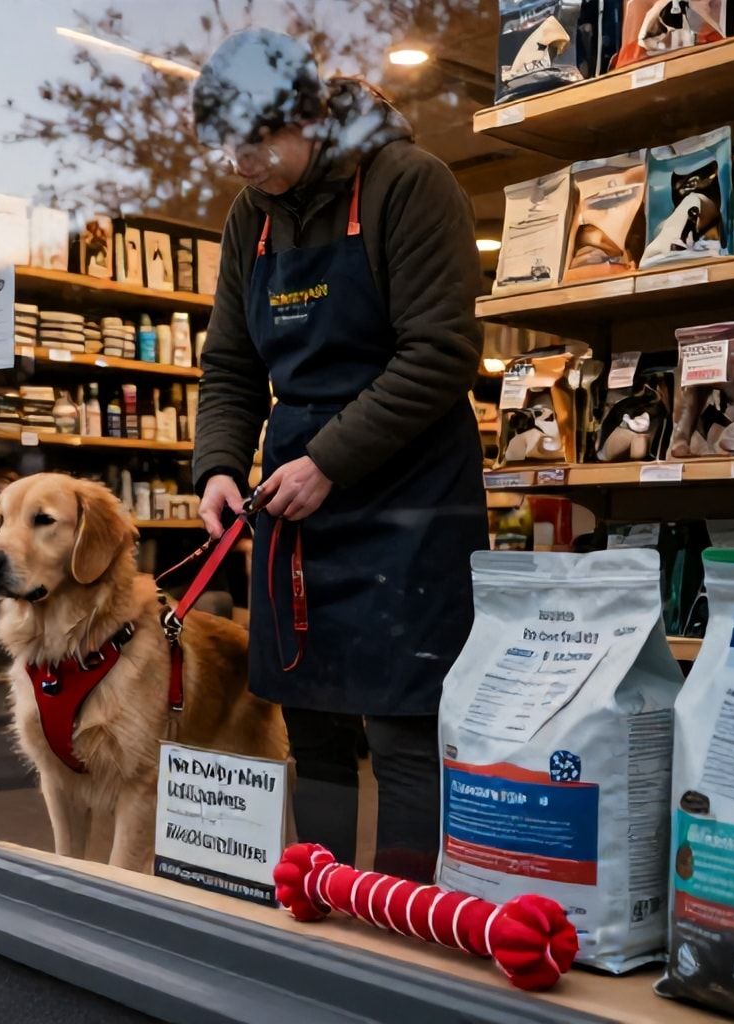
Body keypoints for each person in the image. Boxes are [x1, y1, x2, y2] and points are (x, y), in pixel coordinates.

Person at [189, 30, 487, 882]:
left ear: (312, 116)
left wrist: (328, 460)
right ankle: (315, 904)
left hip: (410, 492)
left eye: (254, 143)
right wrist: (217, 466)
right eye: (226, 148)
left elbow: (439, 353)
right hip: (295, 496)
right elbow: (232, 366)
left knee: (402, 724)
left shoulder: (408, 184)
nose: (240, 165)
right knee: (308, 717)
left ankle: (400, 925)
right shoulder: (250, 220)